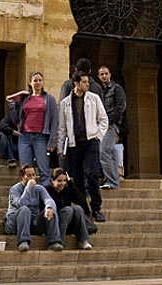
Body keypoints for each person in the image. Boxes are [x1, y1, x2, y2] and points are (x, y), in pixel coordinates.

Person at [57, 71, 109, 222]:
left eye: (88, 82)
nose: (88, 84)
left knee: (92, 174)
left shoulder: (94, 98)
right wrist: (61, 148)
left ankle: (97, 207)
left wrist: (98, 136)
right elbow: (62, 128)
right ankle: (83, 209)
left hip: (91, 141)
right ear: (76, 84)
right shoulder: (65, 103)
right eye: (85, 82)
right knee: (77, 178)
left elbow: (103, 119)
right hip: (74, 144)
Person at [6, 71, 58, 186]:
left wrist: (53, 140)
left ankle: (44, 196)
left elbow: (54, 121)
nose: (38, 83)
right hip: (24, 136)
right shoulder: (25, 98)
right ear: (30, 82)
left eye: (40, 80)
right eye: (35, 80)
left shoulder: (49, 99)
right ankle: (27, 194)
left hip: (41, 136)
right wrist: (21, 94)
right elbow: (9, 100)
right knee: (25, 169)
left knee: (43, 168)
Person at [4, 164, 63, 252]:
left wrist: (49, 207)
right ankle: (23, 241)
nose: (31, 178)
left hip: (32, 221)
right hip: (15, 221)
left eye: (33, 175)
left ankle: (53, 241)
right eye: (28, 175)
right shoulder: (14, 189)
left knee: (51, 210)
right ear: (22, 177)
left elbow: (48, 199)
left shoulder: (39, 188)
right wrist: (28, 187)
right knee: (25, 209)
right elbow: (20, 204)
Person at [45, 167, 93, 250]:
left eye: (64, 181)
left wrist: (70, 182)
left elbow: (82, 201)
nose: (62, 183)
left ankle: (83, 240)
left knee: (77, 208)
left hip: (67, 221)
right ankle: (59, 241)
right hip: (53, 222)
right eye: (59, 181)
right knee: (68, 209)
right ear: (52, 180)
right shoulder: (47, 190)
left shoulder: (66, 189)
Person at [97, 66, 126, 189]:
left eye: (106, 73)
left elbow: (121, 106)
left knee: (104, 152)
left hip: (110, 125)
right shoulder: (99, 91)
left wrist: (110, 121)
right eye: (101, 74)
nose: (104, 76)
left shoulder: (117, 88)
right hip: (101, 125)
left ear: (110, 74)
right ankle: (114, 179)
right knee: (111, 154)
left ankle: (112, 181)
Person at [0, 101, 19, 168]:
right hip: (6, 150)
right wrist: (15, 133)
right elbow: (1, 126)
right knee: (3, 134)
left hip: (19, 149)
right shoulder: (8, 119)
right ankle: (11, 160)